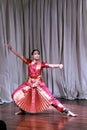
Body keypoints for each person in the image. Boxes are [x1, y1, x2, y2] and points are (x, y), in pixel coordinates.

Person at [7, 44, 77, 117]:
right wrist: (11, 49)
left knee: (50, 99)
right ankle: (22, 110)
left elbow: (50, 65)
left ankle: (66, 111)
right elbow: (20, 56)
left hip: (39, 84)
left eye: (38, 54)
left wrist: (58, 65)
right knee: (15, 94)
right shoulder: (29, 62)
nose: (37, 55)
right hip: (29, 84)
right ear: (32, 56)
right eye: (35, 54)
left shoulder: (41, 64)